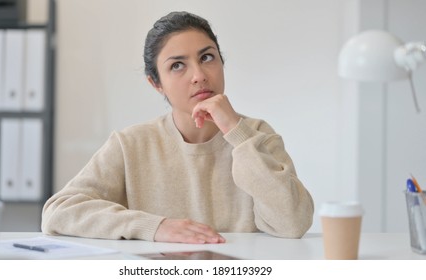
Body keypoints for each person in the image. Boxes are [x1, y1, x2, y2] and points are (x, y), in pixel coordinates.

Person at [41, 11, 314, 244]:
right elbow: (58, 211)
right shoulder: (131, 144)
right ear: (156, 83)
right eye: (177, 65)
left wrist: (236, 131)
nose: (199, 76)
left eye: (207, 58)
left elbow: (292, 223)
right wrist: (155, 227)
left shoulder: (257, 135)